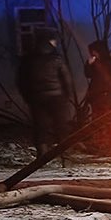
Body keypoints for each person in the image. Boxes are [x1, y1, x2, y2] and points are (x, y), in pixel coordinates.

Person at [16, 28, 74, 157]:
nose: (56, 43)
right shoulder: (56, 58)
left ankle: (42, 154)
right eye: (54, 40)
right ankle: (64, 153)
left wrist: (28, 97)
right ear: (49, 41)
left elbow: (21, 81)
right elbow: (66, 79)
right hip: (57, 97)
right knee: (61, 125)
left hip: (36, 98)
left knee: (40, 126)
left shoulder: (27, 59)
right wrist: (66, 96)